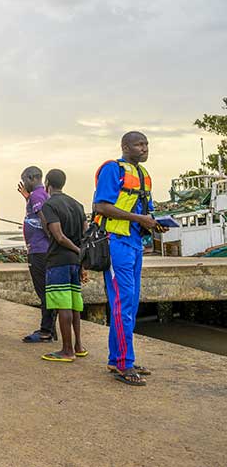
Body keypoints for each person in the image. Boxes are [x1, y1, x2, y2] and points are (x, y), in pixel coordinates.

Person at [93, 131, 168, 386]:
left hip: (135, 244)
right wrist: (139, 219)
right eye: (139, 144)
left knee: (131, 304)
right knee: (122, 304)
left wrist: (154, 224)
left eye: (146, 144)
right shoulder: (112, 169)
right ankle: (124, 364)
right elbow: (101, 206)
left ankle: (118, 358)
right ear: (125, 146)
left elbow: (145, 210)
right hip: (116, 243)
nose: (144, 148)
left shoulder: (144, 175)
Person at [39, 169, 88, 363]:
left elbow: (58, 236)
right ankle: (78, 346)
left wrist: (76, 250)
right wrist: (81, 257)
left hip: (58, 261)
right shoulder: (78, 205)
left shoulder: (49, 205)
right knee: (75, 305)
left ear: (47, 183)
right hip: (75, 262)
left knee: (62, 305)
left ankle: (67, 350)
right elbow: (85, 235)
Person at [18, 166, 57, 343]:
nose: (24, 183)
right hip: (41, 249)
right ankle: (50, 329)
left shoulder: (37, 196)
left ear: (32, 178)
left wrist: (51, 239)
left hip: (39, 250)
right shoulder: (40, 195)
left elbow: (44, 219)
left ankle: (45, 331)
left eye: (24, 179)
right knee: (46, 291)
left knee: (43, 292)